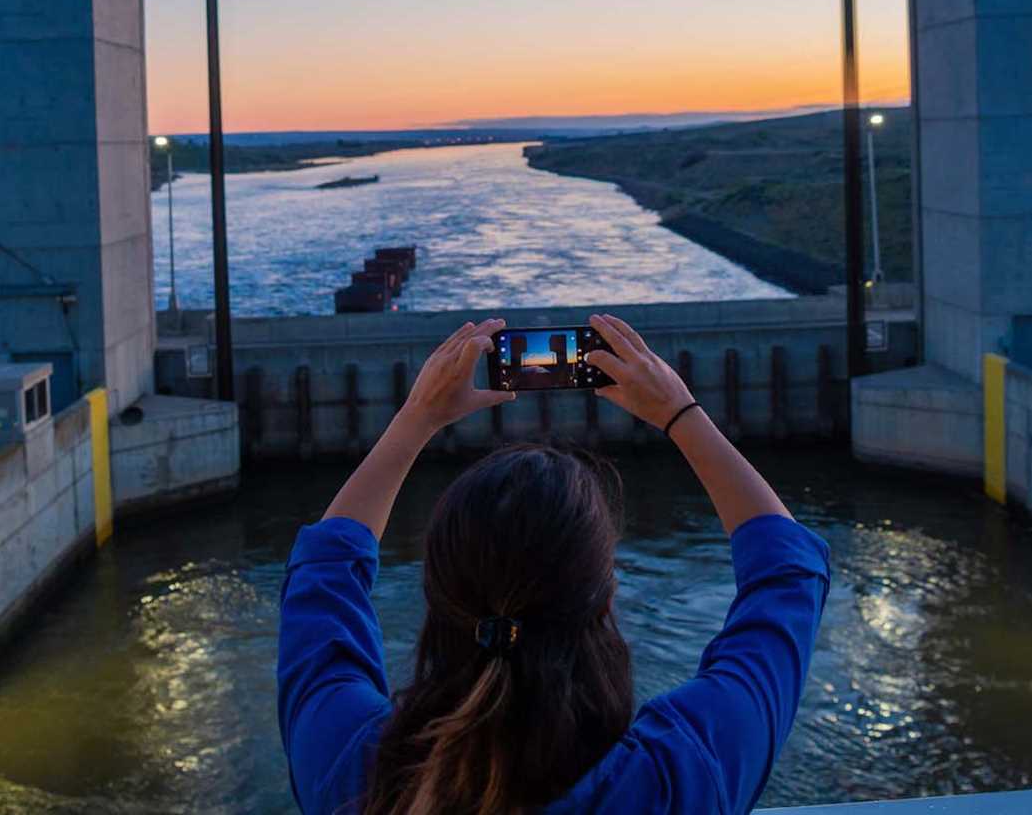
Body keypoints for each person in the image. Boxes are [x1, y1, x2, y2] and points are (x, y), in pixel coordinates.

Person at [278, 314, 831, 814]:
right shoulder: (672, 780)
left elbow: (324, 575)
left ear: (437, 594)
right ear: (605, 600)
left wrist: (414, 421)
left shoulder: (353, 770)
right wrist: (680, 414)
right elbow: (788, 573)